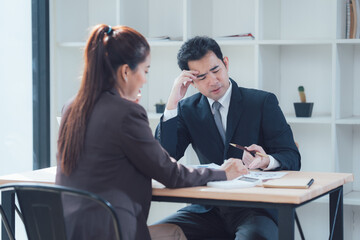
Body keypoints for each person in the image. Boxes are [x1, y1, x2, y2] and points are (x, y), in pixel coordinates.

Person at [55, 25, 248, 240]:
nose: (145, 80)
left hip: (69, 230)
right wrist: (223, 172)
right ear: (126, 71)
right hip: (114, 231)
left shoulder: (72, 106)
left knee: (173, 233)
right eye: (145, 71)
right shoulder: (126, 113)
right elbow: (170, 173)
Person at [155, 36, 301, 240]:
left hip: (256, 209)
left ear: (226, 63)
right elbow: (164, 159)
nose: (213, 81)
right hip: (207, 209)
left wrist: (267, 160)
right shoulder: (186, 109)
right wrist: (172, 104)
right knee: (151, 234)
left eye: (216, 70)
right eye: (202, 77)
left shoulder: (261, 102)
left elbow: (292, 156)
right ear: (191, 82)